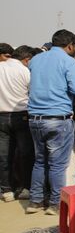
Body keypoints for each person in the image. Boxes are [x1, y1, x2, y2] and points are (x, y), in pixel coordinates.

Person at [26, 30, 75, 215]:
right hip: (59, 118)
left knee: (40, 161)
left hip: (35, 118)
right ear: (70, 46)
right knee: (58, 164)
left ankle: (35, 201)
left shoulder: (36, 60)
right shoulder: (69, 61)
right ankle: (55, 204)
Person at [0, 44, 33, 202]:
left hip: (1, 116)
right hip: (22, 115)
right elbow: (31, 91)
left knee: (5, 155)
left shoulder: (0, 67)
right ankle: (25, 187)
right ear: (26, 59)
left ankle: (7, 189)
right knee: (25, 153)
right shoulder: (24, 70)